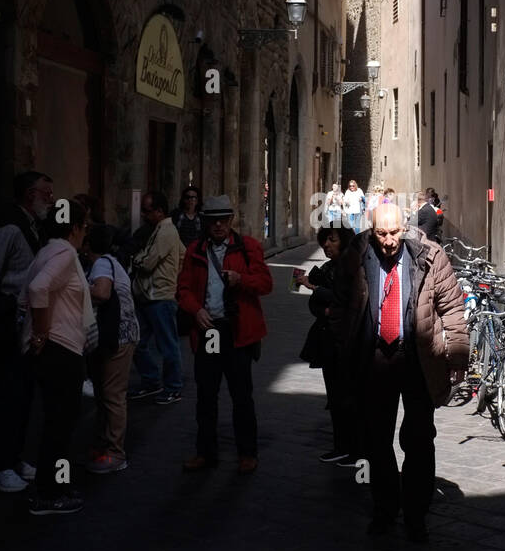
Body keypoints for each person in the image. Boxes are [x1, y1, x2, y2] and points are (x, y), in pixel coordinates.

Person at [331, 202, 468, 541]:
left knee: (420, 438)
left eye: (394, 232)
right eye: (381, 233)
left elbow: (451, 307)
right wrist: (341, 343)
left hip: (418, 359)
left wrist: (458, 356)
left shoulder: (430, 256)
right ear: (371, 229)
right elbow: (340, 301)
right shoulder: (357, 254)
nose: (389, 240)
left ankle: (417, 511)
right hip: (375, 358)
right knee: (376, 440)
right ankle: (385, 509)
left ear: (404, 228)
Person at [0, 171, 55, 492]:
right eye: (46, 194)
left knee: (23, 395)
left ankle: (14, 457)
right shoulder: (9, 229)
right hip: (7, 323)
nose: (51, 199)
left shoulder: (31, 226)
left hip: (25, 324)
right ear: (30, 195)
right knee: (9, 395)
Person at [177, 195, 273, 474]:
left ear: (231, 220)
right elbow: (182, 289)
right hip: (208, 330)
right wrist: (195, 310)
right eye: (213, 220)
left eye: (223, 219)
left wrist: (241, 280)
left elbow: (265, 283)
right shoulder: (195, 250)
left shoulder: (248, 248)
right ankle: (205, 453)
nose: (218, 225)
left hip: (238, 331)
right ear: (206, 222)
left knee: (241, 396)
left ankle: (247, 453)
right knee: (206, 395)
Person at [20, 199, 93, 517]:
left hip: (56, 350)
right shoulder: (64, 252)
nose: (85, 232)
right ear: (74, 227)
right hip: (60, 350)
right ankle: (51, 493)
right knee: (61, 426)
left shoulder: (47, 250)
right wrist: (41, 332)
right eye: (85, 225)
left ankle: (55, 487)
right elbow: (37, 289)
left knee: (56, 423)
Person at [295, 226, 355, 463]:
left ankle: (354, 448)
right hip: (328, 340)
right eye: (324, 241)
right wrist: (325, 307)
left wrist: (317, 289)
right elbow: (315, 305)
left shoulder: (353, 269)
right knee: (335, 396)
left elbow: (349, 298)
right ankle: (341, 445)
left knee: (347, 396)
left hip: (347, 341)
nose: (327, 245)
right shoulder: (328, 268)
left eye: (333, 240)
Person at [85, 224, 140, 474]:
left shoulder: (101, 264)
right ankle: (102, 445)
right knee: (105, 393)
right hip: (117, 336)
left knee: (112, 394)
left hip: (119, 336)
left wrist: (76, 290)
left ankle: (116, 453)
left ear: (87, 246)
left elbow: (102, 293)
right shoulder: (110, 261)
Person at [129, 191, 186, 406]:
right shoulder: (161, 230)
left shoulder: (166, 231)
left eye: (147, 210)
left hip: (159, 297)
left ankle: (173, 387)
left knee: (168, 346)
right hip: (149, 296)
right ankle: (152, 381)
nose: (144, 214)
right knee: (138, 343)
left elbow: (147, 263)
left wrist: (136, 259)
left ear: (160, 211)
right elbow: (182, 254)